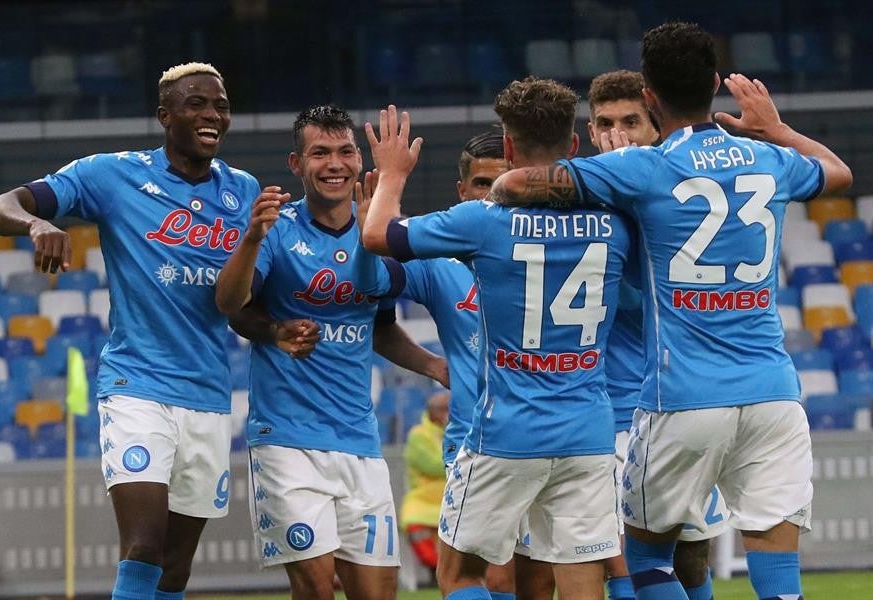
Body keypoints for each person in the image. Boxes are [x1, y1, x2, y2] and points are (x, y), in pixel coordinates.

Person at [484, 22, 852, 600]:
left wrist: (574, 178)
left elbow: (513, 185)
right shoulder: (767, 159)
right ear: (713, 84)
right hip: (774, 393)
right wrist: (776, 129)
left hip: (683, 396)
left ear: (650, 98)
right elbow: (838, 172)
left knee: (647, 555)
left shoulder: (643, 169)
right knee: (778, 569)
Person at [0, 62, 316, 599]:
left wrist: (275, 329)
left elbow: (235, 302)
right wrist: (40, 223)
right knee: (143, 545)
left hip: (207, 394)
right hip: (137, 387)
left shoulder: (243, 190)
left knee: (176, 568)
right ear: (165, 116)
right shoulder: (112, 175)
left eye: (221, 105)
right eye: (197, 104)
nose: (212, 115)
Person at [361, 77, 630, 600]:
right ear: (574, 145)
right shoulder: (616, 222)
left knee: (461, 574)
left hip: (506, 428)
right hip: (589, 428)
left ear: (508, 147)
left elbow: (377, 236)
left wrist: (392, 176)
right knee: (583, 574)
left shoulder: (483, 221)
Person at [215, 104, 446, 600]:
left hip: (359, 441)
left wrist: (433, 365)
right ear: (297, 165)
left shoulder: (379, 233)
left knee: (377, 594)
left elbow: (380, 325)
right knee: (317, 587)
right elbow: (232, 306)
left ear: (360, 161)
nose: (335, 163)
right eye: (320, 153)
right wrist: (274, 323)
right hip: (286, 438)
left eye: (345, 151)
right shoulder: (277, 229)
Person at [375, 130, 554, 600]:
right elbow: (372, 296)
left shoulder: (557, 248)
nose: (493, 195)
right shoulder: (438, 261)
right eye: (480, 184)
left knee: (539, 582)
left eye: (504, 180)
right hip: (476, 441)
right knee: (490, 575)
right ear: (461, 193)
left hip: (552, 435)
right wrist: (432, 365)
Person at [588, 69, 729, 600]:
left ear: (657, 124)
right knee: (624, 557)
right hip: (610, 409)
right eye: (605, 122)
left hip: (683, 399)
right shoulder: (582, 194)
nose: (617, 133)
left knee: (692, 559)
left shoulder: (686, 202)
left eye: (630, 121)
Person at [400, 390, 450, 571]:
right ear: (433, 411)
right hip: (422, 508)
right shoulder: (419, 434)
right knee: (432, 559)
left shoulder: (461, 432)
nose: (449, 414)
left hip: (452, 507)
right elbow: (436, 465)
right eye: (444, 409)